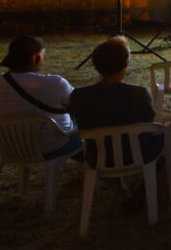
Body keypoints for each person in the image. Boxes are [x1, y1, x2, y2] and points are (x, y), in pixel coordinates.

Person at [68, 38, 163, 196]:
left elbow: (80, 123)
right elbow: (150, 122)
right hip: (139, 152)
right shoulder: (139, 93)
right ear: (126, 65)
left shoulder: (79, 96)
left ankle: (122, 191)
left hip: (98, 155)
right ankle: (140, 190)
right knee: (165, 139)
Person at [0, 35, 78, 157]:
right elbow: (78, 105)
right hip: (51, 146)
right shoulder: (55, 83)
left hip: (10, 148)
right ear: (36, 58)